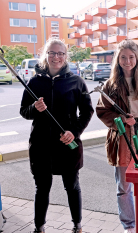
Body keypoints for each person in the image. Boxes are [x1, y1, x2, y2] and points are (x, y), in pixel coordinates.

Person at [20, 38, 94, 233]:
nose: (56, 57)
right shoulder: (34, 82)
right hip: (41, 145)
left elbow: (87, 112)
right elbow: (24, 111)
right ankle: (39, 227)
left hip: (67, 144)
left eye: (60, 53)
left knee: (72, 186)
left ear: (65, 56)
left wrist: (75, 132)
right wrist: (35, 109)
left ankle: (77, 225)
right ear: (46, 55)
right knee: (42, 189)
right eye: (52, 53)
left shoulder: (76, 81)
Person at [96, 39, 138, 233]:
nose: (127, 61)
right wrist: (121, 119)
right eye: (123, 57)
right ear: (118, 59)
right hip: (123, 136)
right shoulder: (111, 85)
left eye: (131, 57)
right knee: (124, 185)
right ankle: (129, 225)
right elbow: (103, 111)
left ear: (137, 58)